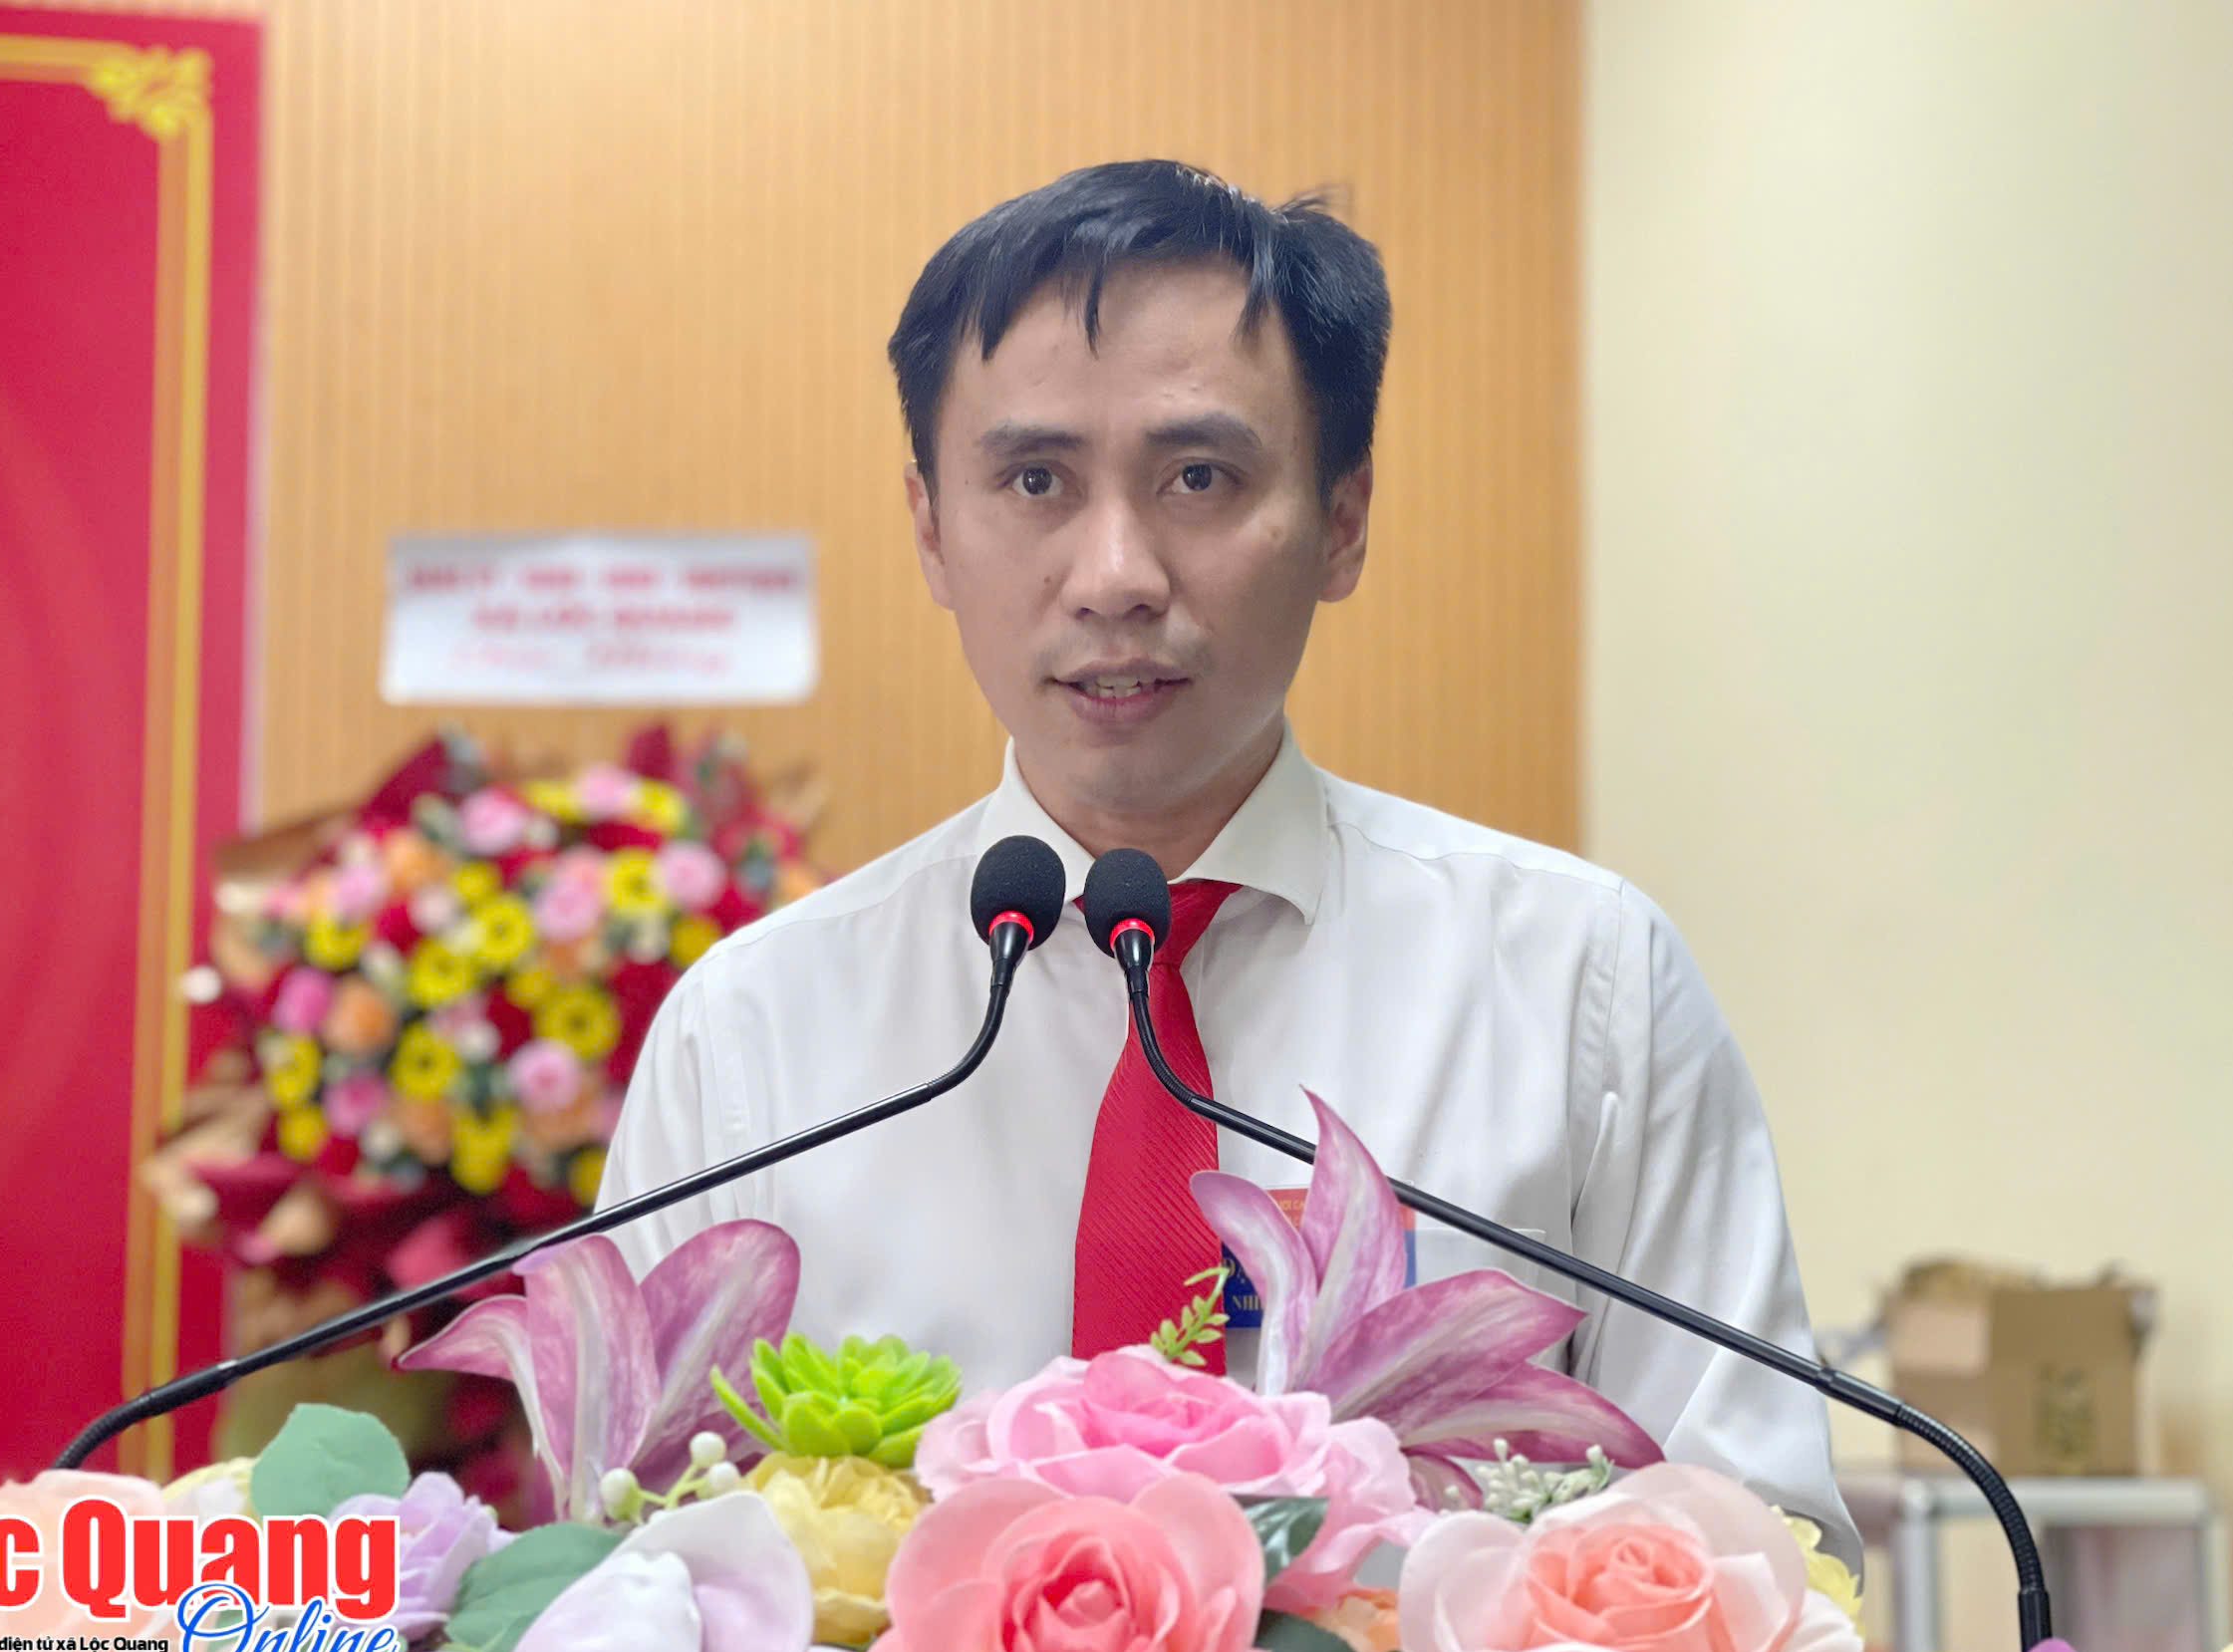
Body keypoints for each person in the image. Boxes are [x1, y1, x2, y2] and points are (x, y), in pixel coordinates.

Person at [600, 159, 1857, 1561]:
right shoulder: (756, 1037)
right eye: (1034, 481)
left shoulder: (1578, 983)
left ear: (1342, 519)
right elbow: (623, 1575)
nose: (1115, 575)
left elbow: (1763, 1551)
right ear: (931, 530)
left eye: (1198, 477)